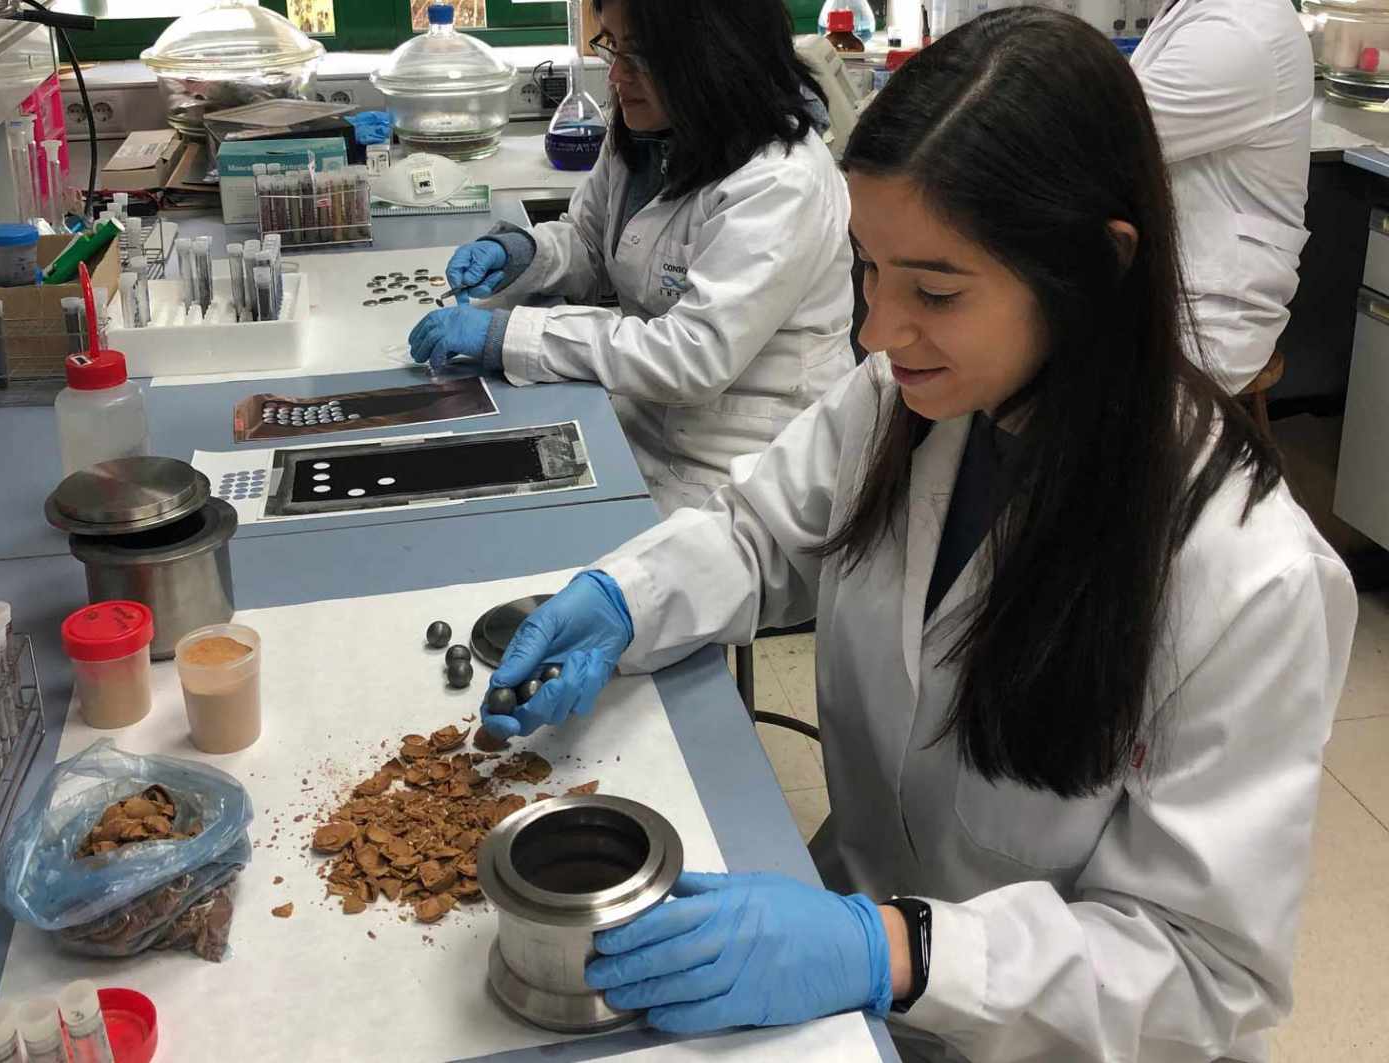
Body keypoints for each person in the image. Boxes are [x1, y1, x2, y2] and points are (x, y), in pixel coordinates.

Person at [472, 9, 1357, 1062]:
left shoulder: (1247, 579)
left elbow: (1205, 969)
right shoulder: (910, 400)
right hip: (863, 939)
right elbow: (762, 532)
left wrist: (894, 950)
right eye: (870, 272)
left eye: (935, 290)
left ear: (1096, 266)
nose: (878, 332)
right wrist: (623, 599)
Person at [407, 0, 855, 514]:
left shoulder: (781, 180)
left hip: (743, 470)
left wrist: (506, 335)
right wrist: (523, 253)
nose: (617, 75)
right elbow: (593, 244)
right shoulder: (650, 135)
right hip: (642, 425)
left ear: (716, 56)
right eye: (613, 47)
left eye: (641, 56)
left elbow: (691, 355)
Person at [1132, 0, 1314, 394]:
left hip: (1208, 316)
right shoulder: (1190, 10)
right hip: (1168, 282)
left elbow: (1104, 134)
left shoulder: (1238, 31)